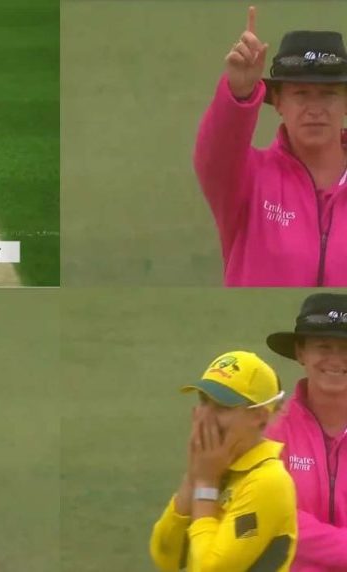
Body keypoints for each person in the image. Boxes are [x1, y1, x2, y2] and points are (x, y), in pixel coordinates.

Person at [195, 5, 347, 286]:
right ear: (278, 101)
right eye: (301, 94)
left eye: (328, 94)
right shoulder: (249, 180)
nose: (315, 109)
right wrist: (240, 92)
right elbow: (215, 155)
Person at [149, 350, 297, 571]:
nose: (205, 418)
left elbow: (210, 568)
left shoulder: (268, 481)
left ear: (259, 416)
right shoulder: (215, 467)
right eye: (203, 401)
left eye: (222, 407)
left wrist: (206, 486)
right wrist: (193, 476)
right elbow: (165, 556)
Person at [266, 292, 347, 571]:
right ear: (301, 352)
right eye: (323, 346)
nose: (336, 359)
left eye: (346, 348)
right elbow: (275, 517)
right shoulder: (270, 429)